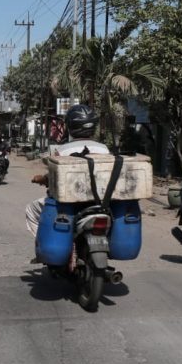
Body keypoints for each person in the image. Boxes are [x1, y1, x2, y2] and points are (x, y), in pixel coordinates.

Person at [26, 104, 110, 263]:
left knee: (32, 209)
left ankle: (45, 245)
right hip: (101, 203)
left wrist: (42, 179)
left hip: (69, 204)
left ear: (70, 126)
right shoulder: (105, 149)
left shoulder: (62, 151)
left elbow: (52, 176)